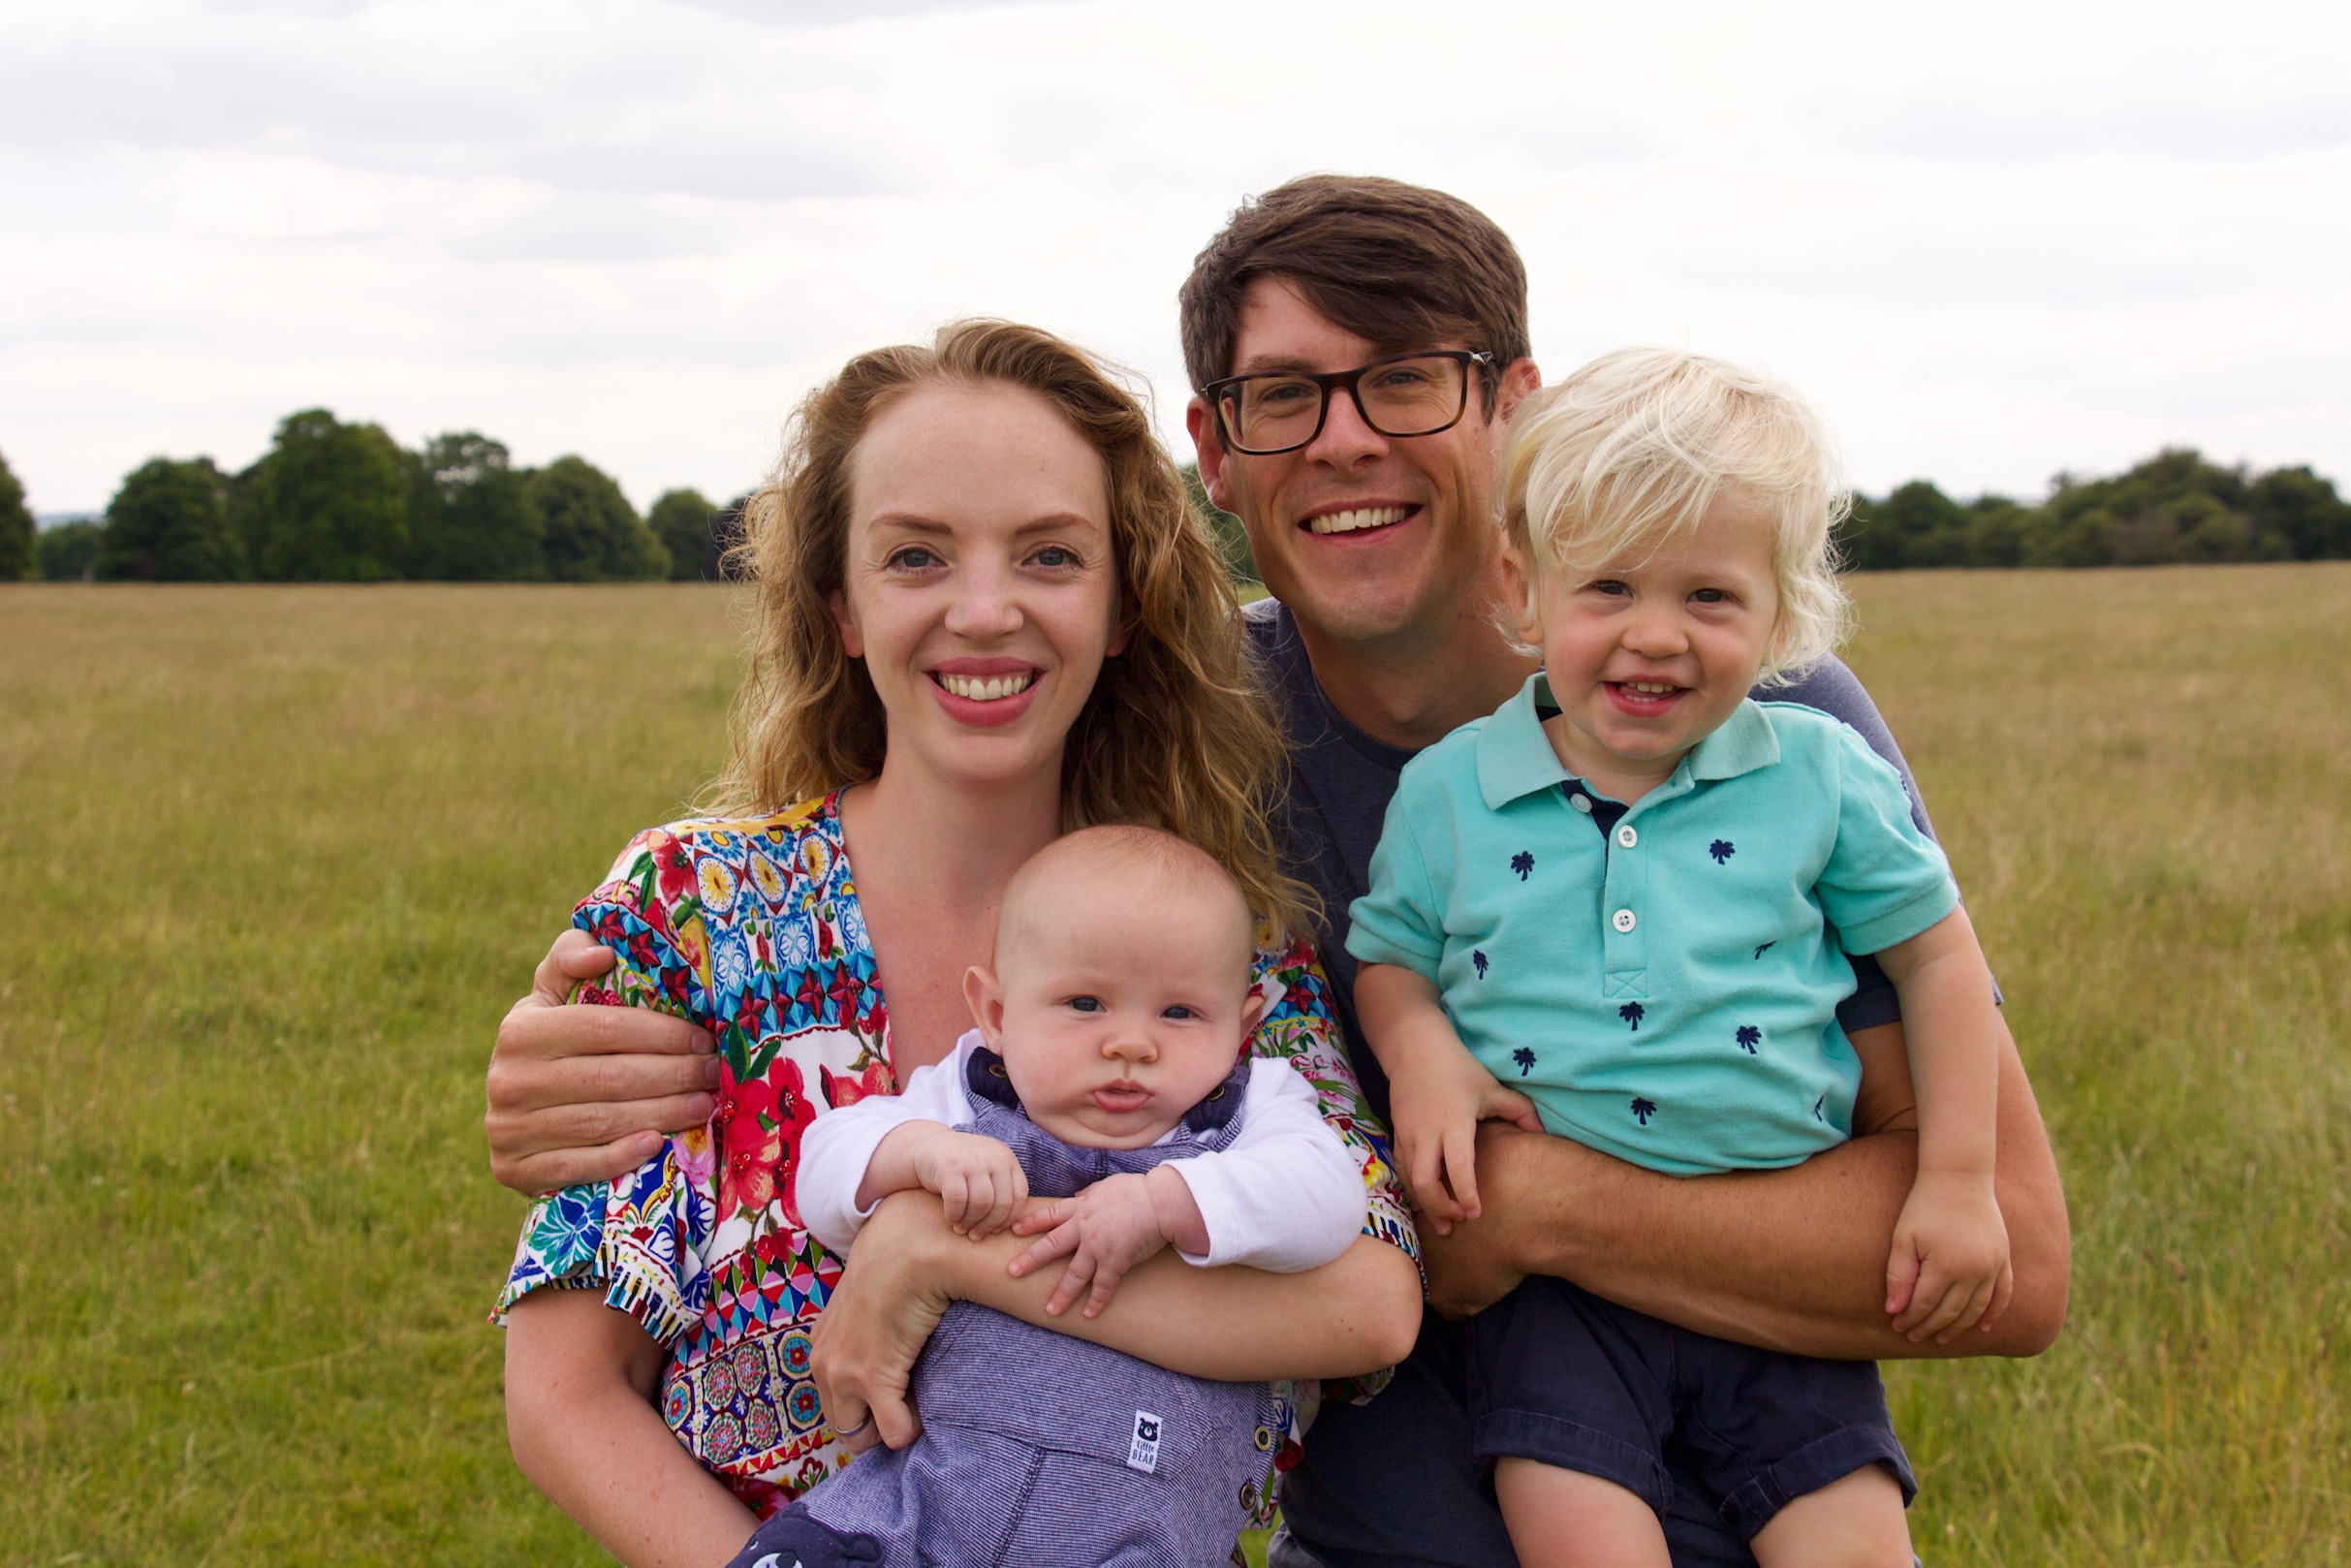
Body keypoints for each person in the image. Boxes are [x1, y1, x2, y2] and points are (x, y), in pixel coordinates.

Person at [486, 176, 2069, 1568]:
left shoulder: (1748, 724)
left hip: (1744, 1498)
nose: (1346, 439)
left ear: (1515, 403)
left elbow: (2009, 1255)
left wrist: (1521, 1203)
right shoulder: (1165, 775)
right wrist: (572, 1034)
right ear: (1214, 456)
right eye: (1283, 396)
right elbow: (583, 1324)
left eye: (1403, 378)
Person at [494, 319, 1421, 1568]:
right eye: (916, 556)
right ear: (839, 606)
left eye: (1048, 555)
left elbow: (1366, 1300)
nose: (983, 614)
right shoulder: (695, 909)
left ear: (1120, 606)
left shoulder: (1207, 934)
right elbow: (566, 1389)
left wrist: (940, 1252)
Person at [1347, 348, 2015, 1568]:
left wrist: (1955, 1182)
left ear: (1779, 615)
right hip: (1557, 1312)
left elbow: (1936, 964)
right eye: (1607, 588)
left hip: (1777, 1290)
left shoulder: (1815, 772)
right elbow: (1385, 958)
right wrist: (1424, 1055)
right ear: (1523, 586)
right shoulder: (1451, 790)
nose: (1654, 639)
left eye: (1708, 599)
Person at [725, 825, 1364, 1568]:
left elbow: (1331, 1199)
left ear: (1242, 1026)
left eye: (1180, 1013)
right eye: (1086, 1003)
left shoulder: (1255, 1115)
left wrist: (1170, 1201)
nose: (1132, 1044)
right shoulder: (967, 1099)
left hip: (1141, 1536)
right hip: (925, 1514)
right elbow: (825, 1164)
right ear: (995, 1014)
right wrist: (924, 1155)